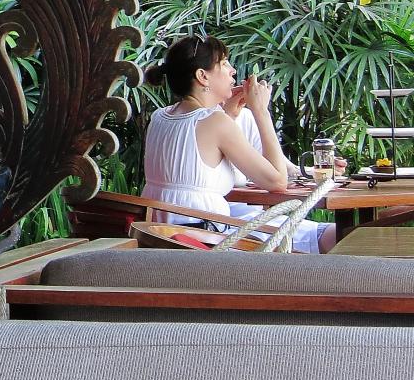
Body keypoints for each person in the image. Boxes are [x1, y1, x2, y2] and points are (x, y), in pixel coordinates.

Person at [141, 34, 336, 253]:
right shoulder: (216, 122)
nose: (233, 70)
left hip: (166, 238)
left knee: (293, 230)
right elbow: (277, 181)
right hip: (204, 244)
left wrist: (229, 115)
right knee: (315, 237)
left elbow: (199, 152)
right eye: (224, 63)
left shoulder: (160, 117)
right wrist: (261, 111)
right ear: (202, 76)